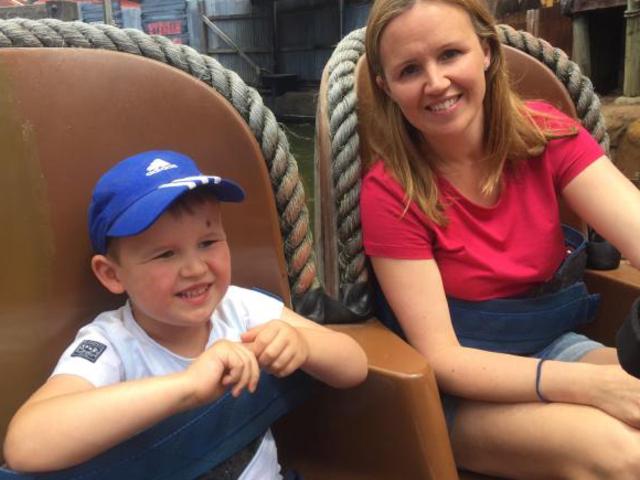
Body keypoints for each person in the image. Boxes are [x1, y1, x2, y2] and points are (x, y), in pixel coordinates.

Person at [360, 0, 640, 478]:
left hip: (553, 346)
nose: (436, 83)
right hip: (456, 393)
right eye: (410, 70)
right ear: (387, 88)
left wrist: (597, 381)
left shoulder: (550, 136)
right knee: (624, 455)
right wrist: (594, 387)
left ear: (486, 51)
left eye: (450, 54)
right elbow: (444, 360)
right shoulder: (390, 195)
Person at [3, 150, 368, 476]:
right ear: (112, 275)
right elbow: (26, 445)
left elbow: (354, 366)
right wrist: (188, 387)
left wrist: (302, 343)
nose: (195, 268)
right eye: (165, 254)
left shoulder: (242, 308)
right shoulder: (112, 345)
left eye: (207, 243)